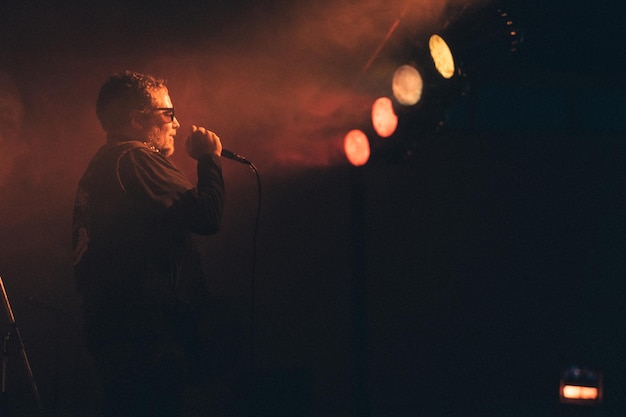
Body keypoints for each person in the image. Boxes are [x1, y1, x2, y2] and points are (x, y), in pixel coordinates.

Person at [72, 70, 225, 417]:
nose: (176, 122)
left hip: (118, 335)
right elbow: (207, 216)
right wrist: (208, 159)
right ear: (136, 118)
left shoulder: (104, 164)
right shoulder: (135, 157)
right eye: (167, 113)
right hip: (147, 337)